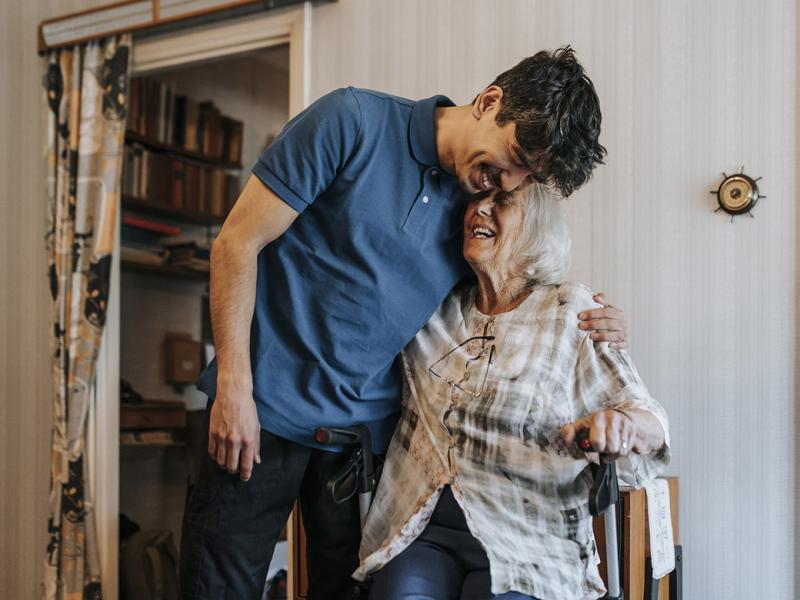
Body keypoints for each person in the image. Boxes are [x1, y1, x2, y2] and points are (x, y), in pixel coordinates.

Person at [179, 47, 626, 599]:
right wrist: (233, 388)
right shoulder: (351, 121)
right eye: (512, 157)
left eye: (526, 176)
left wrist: (592, 319)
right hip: (259, 410)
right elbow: (235, 244)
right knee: (215, 589)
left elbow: (502, 303)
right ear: (489, 102)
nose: (507, 183)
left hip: (359, 445)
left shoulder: (474, 212)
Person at [354, 184, 670, 600]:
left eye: (501, 201)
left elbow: (650, 418)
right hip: (422, 531)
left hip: (530, 539)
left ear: (537, 229)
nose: (480, 209)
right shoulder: (431, 308)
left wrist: (622, 425)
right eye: (476, 199)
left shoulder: (569, 309)